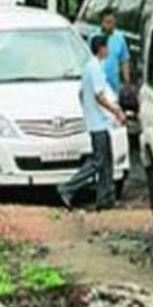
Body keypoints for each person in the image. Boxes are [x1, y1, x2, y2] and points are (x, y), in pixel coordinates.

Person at [58, 35, 128, 211]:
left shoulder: (89, 67)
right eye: (107, 47)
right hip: (98, 123)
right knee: (98, 161)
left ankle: (105, 198)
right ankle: (68, 187)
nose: (108, 51)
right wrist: (116, 111)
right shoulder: (95, 68)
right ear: (102, 48)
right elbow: (99, 95)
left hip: (97, 121)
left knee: (106, 161)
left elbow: (82, 94)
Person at [91, 7, 131, 97]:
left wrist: (127, 82)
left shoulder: (120, 38)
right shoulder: (94, 37)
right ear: (101, 23)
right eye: (107, 22)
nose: (110, 25)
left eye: (112, 22)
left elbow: (124, 61)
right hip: (97, 84)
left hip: (113, 86)